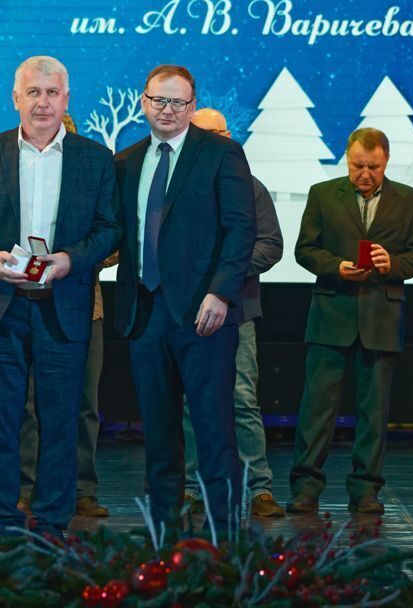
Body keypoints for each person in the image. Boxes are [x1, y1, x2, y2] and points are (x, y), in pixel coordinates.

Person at [0, 56, 119, 538]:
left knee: (61, 423)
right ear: (15, 98)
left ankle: (53, 523)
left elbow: (109, 229)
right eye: (34, 92)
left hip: (64, 305)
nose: (43, 102)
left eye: (52, 93)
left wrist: (69, 260)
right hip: (1, 305)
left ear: (67, 99)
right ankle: (4, 521)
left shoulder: (95, 158)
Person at [114, 65, 256, 533]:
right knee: (157, 433)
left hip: (204, 312)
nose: (168, 110)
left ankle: (224, 536)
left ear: (192, 106)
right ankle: (164, 534)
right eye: (159, 100)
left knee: (214, 431)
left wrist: (220, 292)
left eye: (178, 102)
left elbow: (242, 229)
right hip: (143, 312)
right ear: (144, 102)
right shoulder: (127, 160)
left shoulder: (221, 153)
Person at [287, 128, 413, 515]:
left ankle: (366, 489)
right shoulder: (322, 193)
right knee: (317, 408)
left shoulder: (411, 199)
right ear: (347, 159)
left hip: (382, 315)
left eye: (373, 167)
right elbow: (305, 250)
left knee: (374, 411)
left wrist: (392, 263)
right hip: (331, 312)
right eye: (357, 166)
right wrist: (336, 267)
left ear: (387, 161)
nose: (364, 174)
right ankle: (305, 487)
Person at [182, 108, 284, 518]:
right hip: (187, 311)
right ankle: (192, 487)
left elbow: (271, 245)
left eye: (219, 133)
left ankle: (259, 488)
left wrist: (225, 275)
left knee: (242, 400)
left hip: (237, 310)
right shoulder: (176, 188)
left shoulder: (250, 188)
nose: (213, 141)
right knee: (190, 401)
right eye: (203, 134)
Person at [18, 114, 111, 519]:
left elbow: (113, 240)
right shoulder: (23, 179)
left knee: (84, 402)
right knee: (28, 403)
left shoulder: (91, 180)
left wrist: (77, 256)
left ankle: (82, 488)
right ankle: (27, 487)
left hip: (84, 309)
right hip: (26, 304)